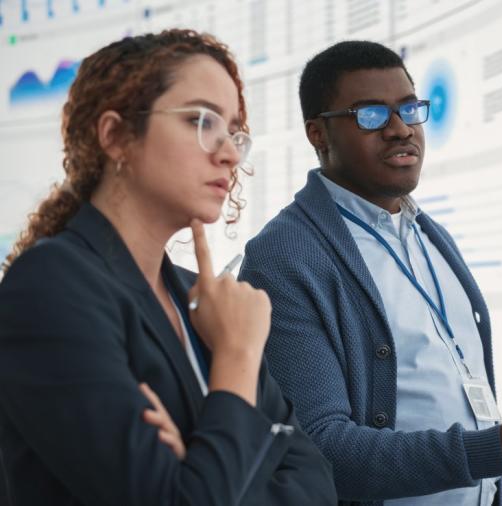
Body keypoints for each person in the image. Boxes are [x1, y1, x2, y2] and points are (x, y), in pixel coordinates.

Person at [238, 40, 502, 505]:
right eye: (371, 115)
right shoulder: (283, 258)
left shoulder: (428, 235)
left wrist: (498, 464)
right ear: (318, 134)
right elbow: (322, 451)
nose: (399, 129)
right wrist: (497, 450)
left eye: (409, 109)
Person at [0, 29, 336, 505]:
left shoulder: (200, 298)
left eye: (234, 132)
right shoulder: (50, 286)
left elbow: (317, 485)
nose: (228, 152)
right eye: (201, 120)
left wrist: (197, 463)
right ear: (115, 135)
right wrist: (237, 357)